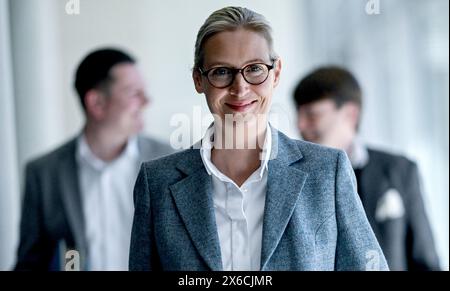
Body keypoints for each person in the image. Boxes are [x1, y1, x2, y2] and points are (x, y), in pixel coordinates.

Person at [129, 7, 388, 271]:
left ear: (275, 73)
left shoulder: (326, 172)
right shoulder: (157, 184)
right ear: (198, 80)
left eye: (254, 69)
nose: (240, 88)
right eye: (221, 71)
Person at [15, 48, 174, 270]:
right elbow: (30, 264)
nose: (146, 101)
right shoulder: (43, 173)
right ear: (96, 103)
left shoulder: (171, 161)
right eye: (133, 93)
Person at [293, 66, 441, 271]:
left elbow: (425, 261)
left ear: (350, 115)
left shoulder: (399, 170)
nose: (300, 125)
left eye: (311, 115)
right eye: (298, 114)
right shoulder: (294, 179)